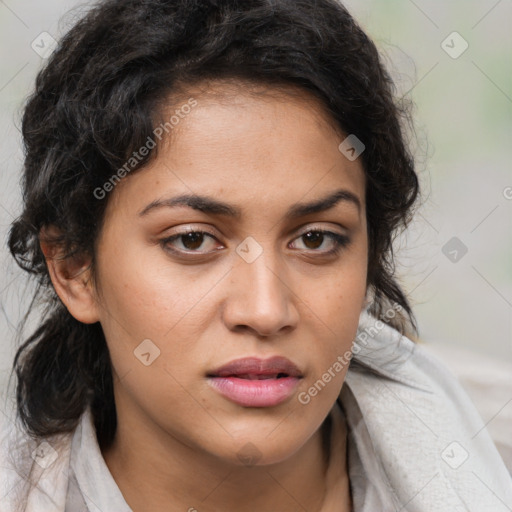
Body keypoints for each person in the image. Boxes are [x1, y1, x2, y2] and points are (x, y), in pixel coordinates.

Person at [1, 0, 511, 510]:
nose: (266, 311)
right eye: (193, 240)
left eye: (316, 239)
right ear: (74, 270)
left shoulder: (491, 458)